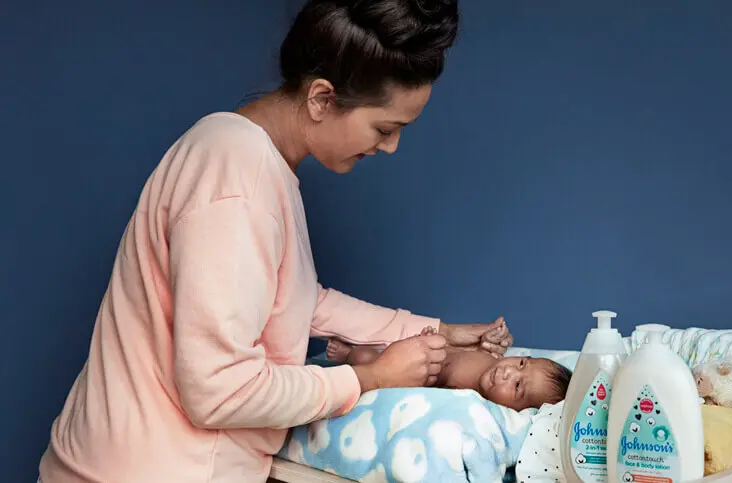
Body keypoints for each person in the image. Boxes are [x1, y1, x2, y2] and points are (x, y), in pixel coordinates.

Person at [37, 1, 509, 482]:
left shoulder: (243, 154)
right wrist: (369, 378)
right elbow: (218, 390)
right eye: (384, 128)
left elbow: (298, 301)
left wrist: (436, 330)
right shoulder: (239, 182)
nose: (390, 146)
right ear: (321, 98)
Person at [329, 325, 572, 410]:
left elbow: (432, 390)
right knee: (379, 350)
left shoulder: (472, 397)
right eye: (521, 363)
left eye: (517, 386)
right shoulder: (493, 362)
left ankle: (348, 355)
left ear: (516, 411)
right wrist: (485, 340)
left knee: (363, 357)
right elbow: (463, 352)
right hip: (418, 351)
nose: (509, 372)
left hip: (411, 372)